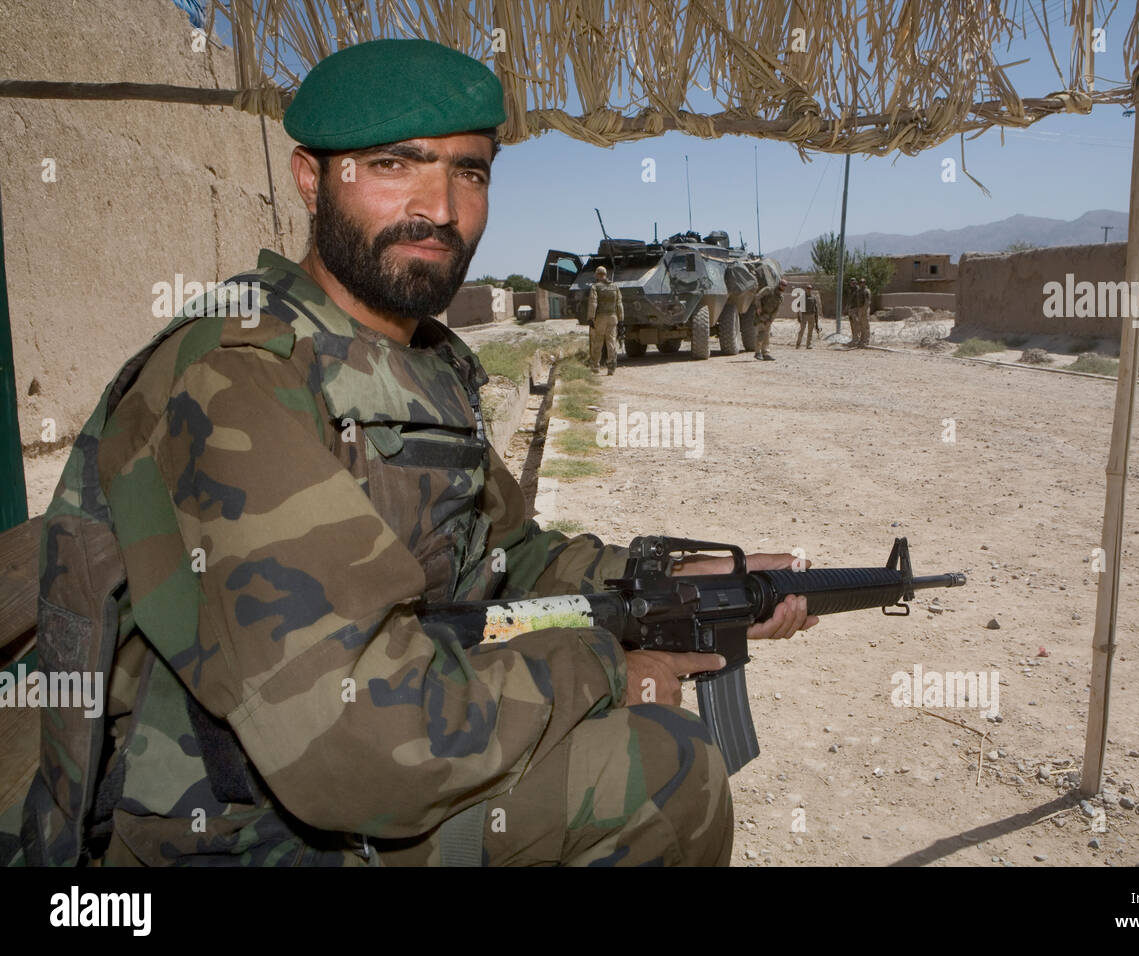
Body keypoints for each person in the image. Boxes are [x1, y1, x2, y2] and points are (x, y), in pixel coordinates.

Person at [6, 38, 817, 868]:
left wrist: (666, 582)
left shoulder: (425, 361)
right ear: (312, 180)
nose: (441, 205)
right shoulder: (234, 378)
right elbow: (358, 738)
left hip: (335, 771)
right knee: (665, 772)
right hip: (230, 825)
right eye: (396, 164)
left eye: (470, 171)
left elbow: (512, 554)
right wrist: (612, 664)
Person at [586, 264, 622, 375]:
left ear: (597, 275)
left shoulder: (595, 287)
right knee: (611, 342)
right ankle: (611, 368)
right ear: (606, 274)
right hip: (613, 317)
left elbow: (593, 303)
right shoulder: (615, 287)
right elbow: (619, 304)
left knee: (598, 342)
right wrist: (621, 319)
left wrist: (591, 318)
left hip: (600, 318)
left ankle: (595, 367)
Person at [754, 279, 786, 361]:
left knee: (766, 335)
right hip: (761, 314)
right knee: (761, 333)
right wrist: (758, 307)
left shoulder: (780, 297)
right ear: (779, 284)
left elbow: (776, 311)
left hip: (768, 317)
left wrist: (770, 320)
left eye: (785, 286)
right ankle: (757, 353)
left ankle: (765, 353)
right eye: (782, 284)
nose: (783, 287)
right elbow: (758, 296)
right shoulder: (768, 290)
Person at [795, 283, 820, 349]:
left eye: (810, 288)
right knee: (802, 330)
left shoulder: (813, 297)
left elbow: (816, 307)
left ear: (811, 289)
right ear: (806, 289)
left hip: (812, 315)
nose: (809, 290)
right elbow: (798, 306)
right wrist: (798, 316)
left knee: (810, 331)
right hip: (804, 315)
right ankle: (798, 344)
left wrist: (816, 318)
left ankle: (808, 344)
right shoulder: (803, 297)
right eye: (808, 288)